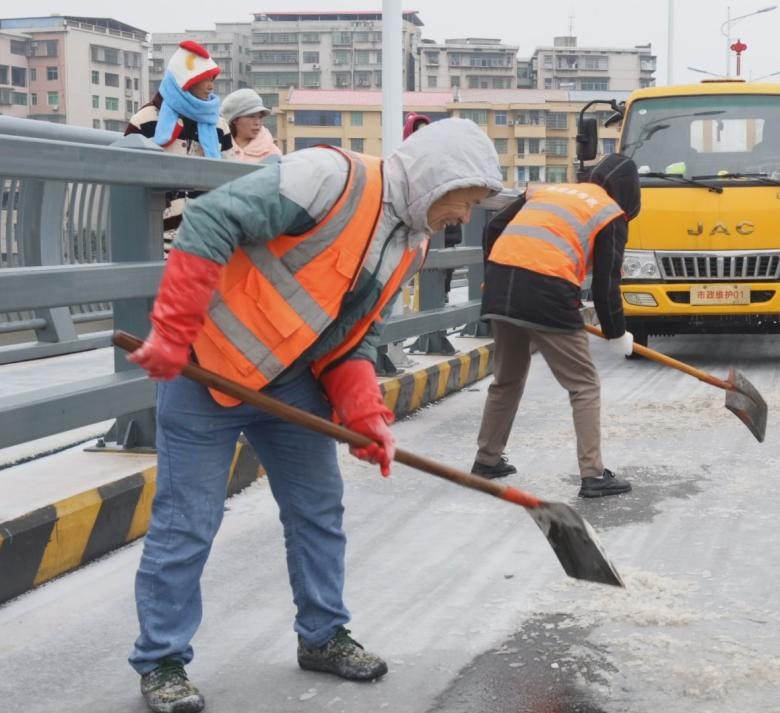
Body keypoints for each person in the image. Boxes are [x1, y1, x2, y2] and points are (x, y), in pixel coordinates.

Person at [125, 118, 503, 712]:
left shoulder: (412, 243)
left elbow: (353, 337)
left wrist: (364, 413)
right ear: (440, 178)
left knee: (318, 511)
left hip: (290, 383)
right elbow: (210, 218)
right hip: (205, 367)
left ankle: (323, 635)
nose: (465, 215)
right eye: (468, 199)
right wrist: (173, 331)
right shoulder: (327, 177)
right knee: (187, 522)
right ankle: (162, 661)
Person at [471, 154, 640, 498]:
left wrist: (496, 273)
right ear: (629, 191)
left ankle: (487, 459)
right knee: (584, 384)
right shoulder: (610, 213)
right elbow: (607, 285)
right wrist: (616, 333)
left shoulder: (545, 191)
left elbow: (493, 228)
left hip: (501, 286)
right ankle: (593, 474)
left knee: (507, 379)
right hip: (548, 289)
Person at [126, 40, 231, 157]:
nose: (211, 87)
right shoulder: (146, 118)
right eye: (205, 79)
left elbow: (230, 165)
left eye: (212, 80)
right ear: (184, 80)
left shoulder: (219, 124)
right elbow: (124, 161)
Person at [221, 88, 282, 163]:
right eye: (251, 116)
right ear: (234, 119)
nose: (257, 122)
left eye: (260, 117)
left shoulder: (272, 153)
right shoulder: (217, 148)